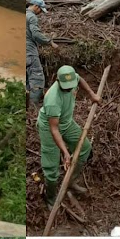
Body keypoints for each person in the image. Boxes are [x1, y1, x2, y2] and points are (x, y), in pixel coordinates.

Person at [37, 65, 101, 209]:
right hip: (49, 128)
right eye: (65, 87)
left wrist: (92, 94)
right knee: (51, 169)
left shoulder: (72, 79)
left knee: (84, 148)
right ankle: (51, 197)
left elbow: (80, 79)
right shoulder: (53, 99)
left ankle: (71, 181)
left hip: (66, 123)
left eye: (70, 86)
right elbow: (54, 129)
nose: (68, 89)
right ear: (58, 81)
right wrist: (65, 152)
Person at [27, 0, 58, 106]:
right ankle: (32, 106)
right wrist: (49, 42)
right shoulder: (32, 17)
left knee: (27, 79)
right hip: (29, 52)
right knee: (37, 78)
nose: (40, 13)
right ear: (36, 6)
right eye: (40, 10)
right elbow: (35, 34)